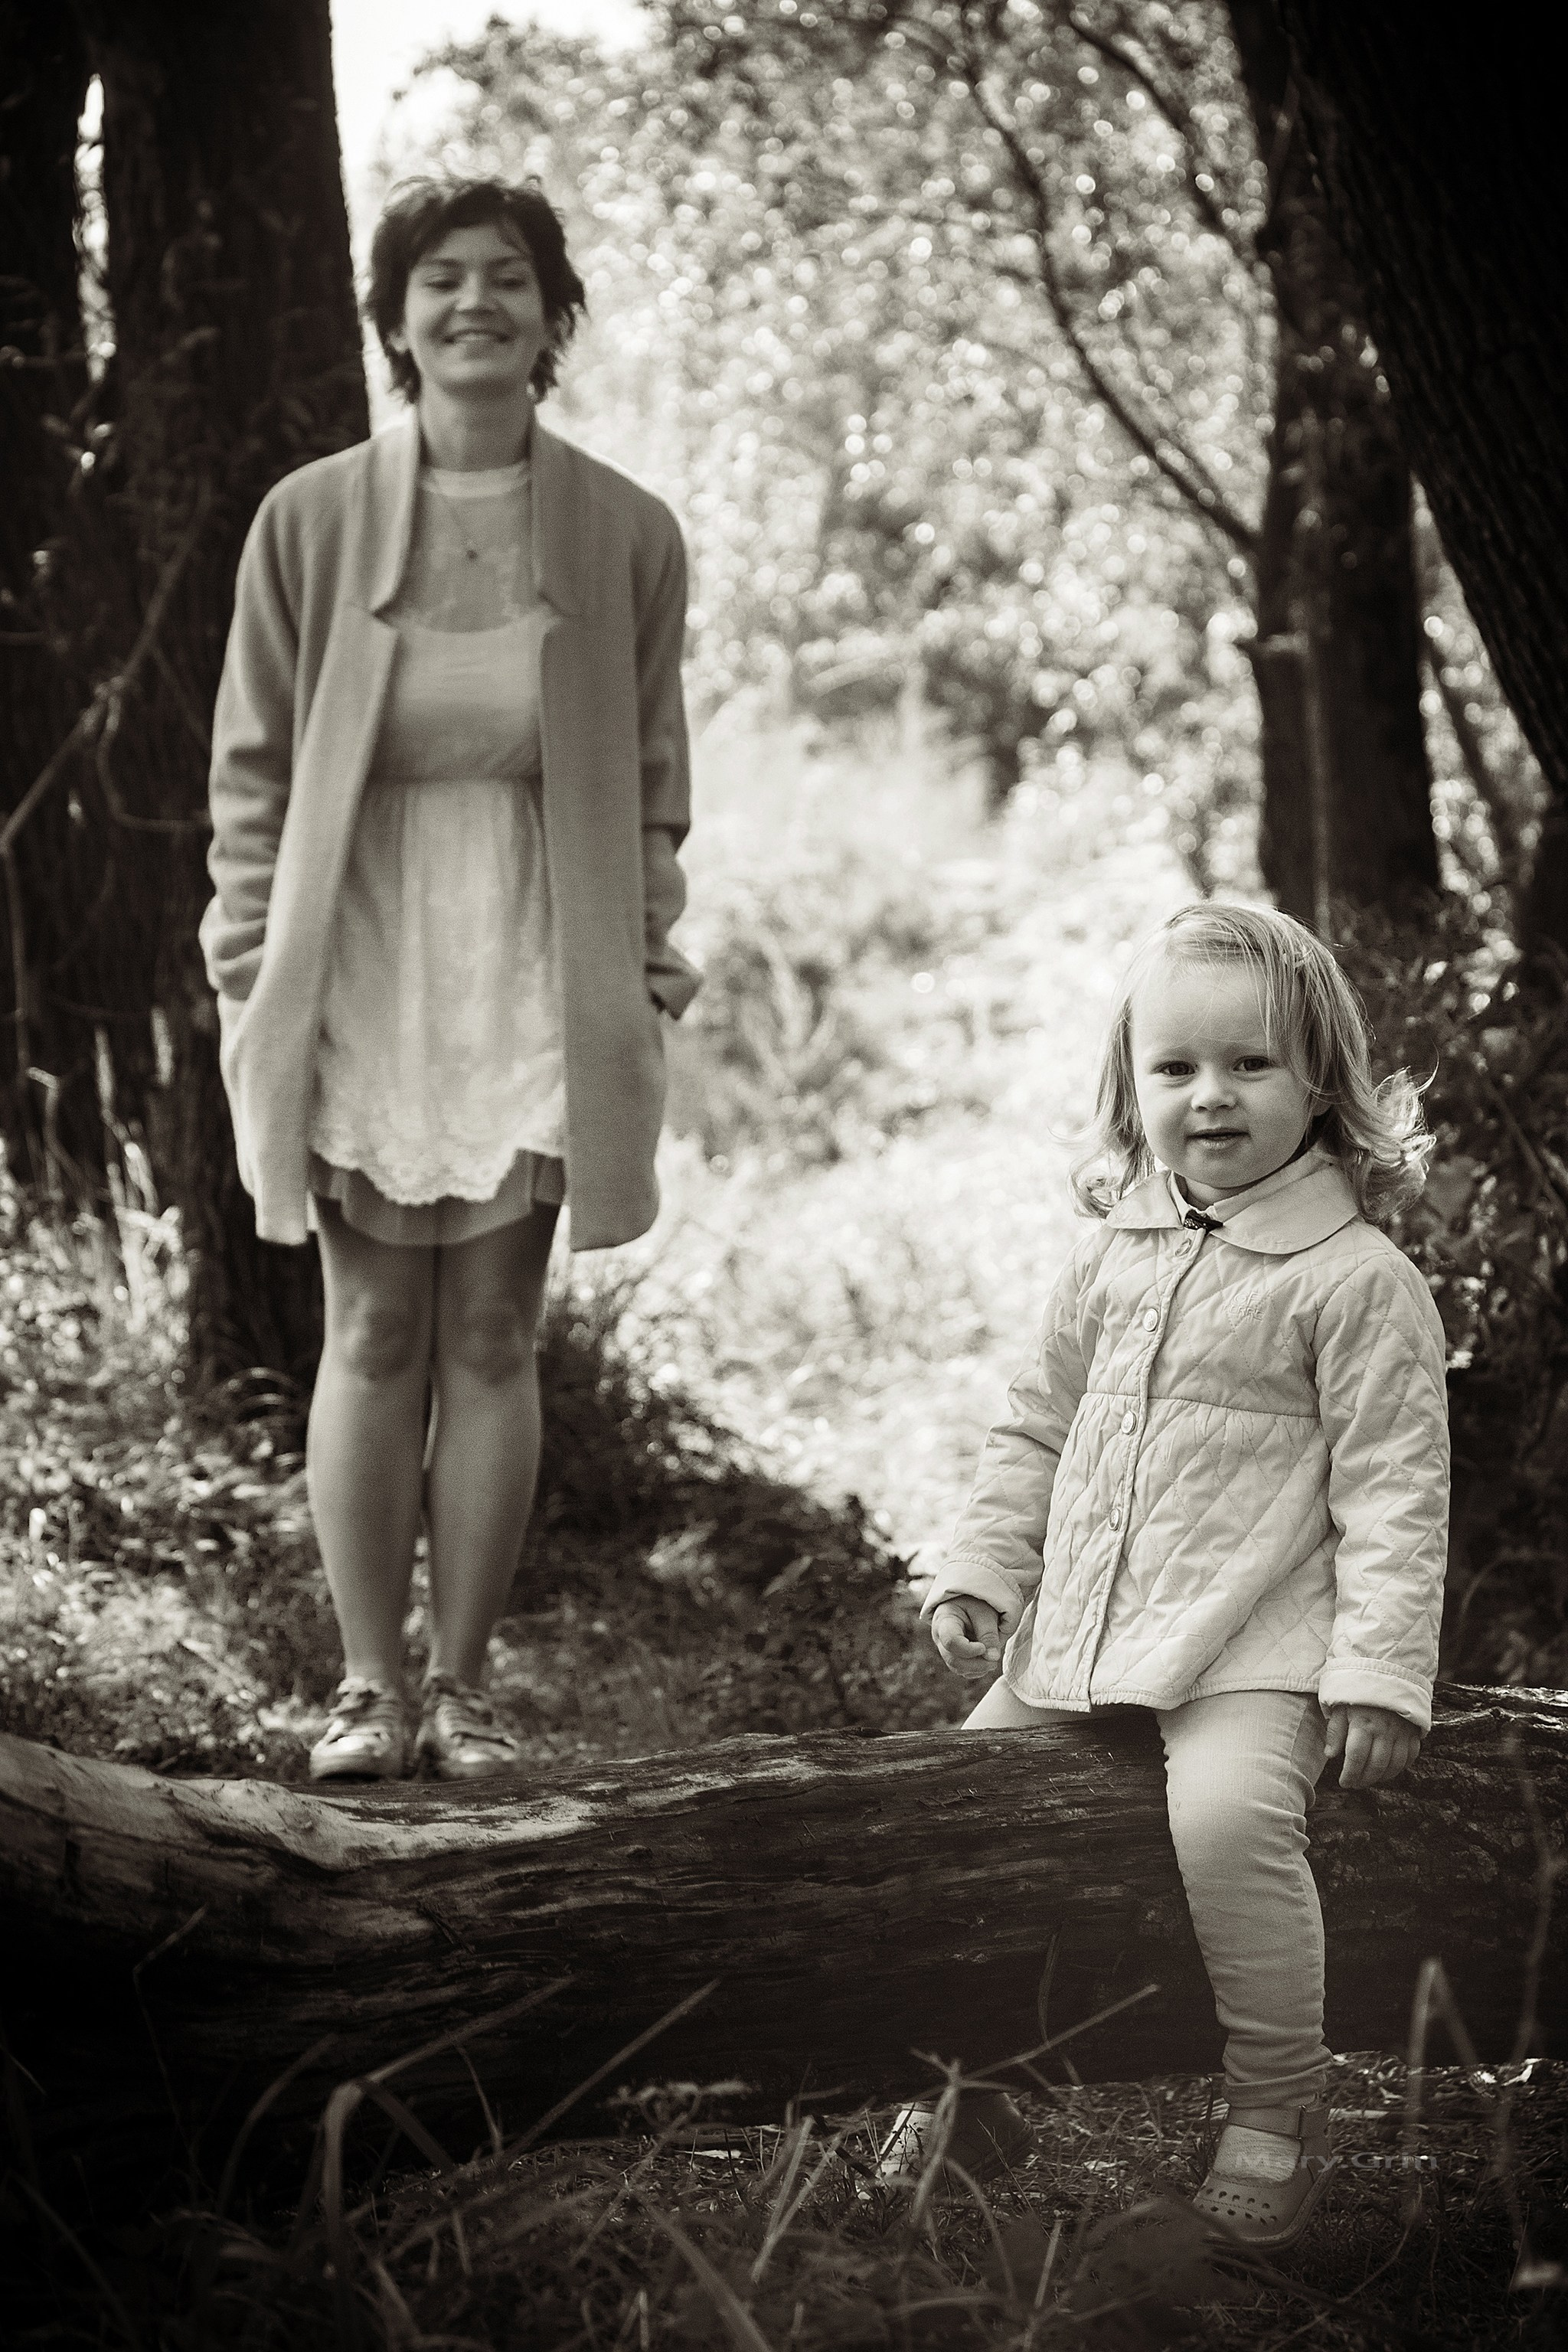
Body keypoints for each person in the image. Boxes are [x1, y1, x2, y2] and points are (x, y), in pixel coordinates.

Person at [199, 177, 698, 1782]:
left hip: (538, 953)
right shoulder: (310, 517)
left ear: (553, 321)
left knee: (493, 1330)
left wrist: (641, 966)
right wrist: (241, 968)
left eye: (506, 280)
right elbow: (253, 773)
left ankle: (465, 1689)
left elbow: (656, 779)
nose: (471, 302)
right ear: (395, 318)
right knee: (371, 1330)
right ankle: (364, 1685)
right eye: (437, 279)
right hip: (359, 952)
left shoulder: (625, 530)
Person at [883, 902, 1449, 2249]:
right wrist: (985, 1567)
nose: (1212, 1097)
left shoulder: (1356, 1282)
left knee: (1227, 1828)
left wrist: (1376, 1674)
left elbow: (1397, 1494)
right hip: (1082, 1638)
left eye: (1251, 1066)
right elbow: (1036, 1424)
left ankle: (1278, 2109)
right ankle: (975, 2087)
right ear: (1129, 1087)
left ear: (1322, 1083)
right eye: (1176, 1068)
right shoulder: (1112, 1253)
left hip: (1255, 1647)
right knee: (956, 1818)